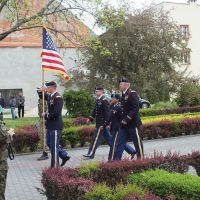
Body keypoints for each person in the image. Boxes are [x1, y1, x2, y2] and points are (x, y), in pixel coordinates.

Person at [37, 81, 70, 168]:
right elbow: (42, 97)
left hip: (55, 125)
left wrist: (46, 115)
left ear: (52, 88)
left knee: (54, 146)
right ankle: (63, 155)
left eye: (47, 88)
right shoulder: (51, 96)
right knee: (49, 143)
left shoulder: (58, 97)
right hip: (50, 125)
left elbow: (56, 112)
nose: (47, 89)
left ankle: (55, 166)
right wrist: (40, 91)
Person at [114, 78, 144, 160]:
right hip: (123, 125)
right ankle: (116, 160)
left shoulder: (132, 94)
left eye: (121, 84)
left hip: (133, 123)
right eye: (119, 84)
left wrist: (127, 119)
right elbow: (123, 109)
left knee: (137, 143)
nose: (119, 85)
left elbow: (136, 108)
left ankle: (140, 159)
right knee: (119, 143)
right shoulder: (123, 95)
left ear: (127, 85)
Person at [83, 86, 112, 160]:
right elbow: (95, 111)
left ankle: (90, 154)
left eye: (97, 91)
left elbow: (108, 114)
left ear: (101, 92)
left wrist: (105, 124)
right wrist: (90, 118)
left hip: (101, 124)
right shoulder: (99, 100)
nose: (95, 92)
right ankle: (123, 149)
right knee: (110, 140)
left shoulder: (104, 100)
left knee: (95, 139)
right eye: (95, 91)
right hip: (100, 123)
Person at [108, 94, 136, 161]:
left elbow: (122, 117)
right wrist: (107, 123)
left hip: (118, 128)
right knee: (119, 142)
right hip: (113, 127)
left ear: (117, 99)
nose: (112, 99)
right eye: (111, 98)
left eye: (113, 98)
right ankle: (132, 151)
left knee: (114, 144)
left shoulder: (120, 107)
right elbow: (111, 117)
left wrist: (121, 125)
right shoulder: (113, 106)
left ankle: (111, 159)